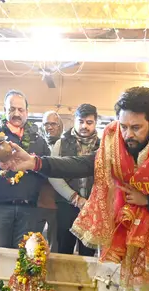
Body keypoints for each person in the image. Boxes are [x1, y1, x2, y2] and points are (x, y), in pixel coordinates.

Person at [0, 87, 149, 286]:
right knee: (130, 278)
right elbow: (82, 164)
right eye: (124, 126)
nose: (128, 134)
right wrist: (35, 162)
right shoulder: (114, 142)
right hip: (128, 217)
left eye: (136, 127)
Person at [0, 90, 49, 248]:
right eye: (12, 109)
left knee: (24, 256)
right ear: (4, 110)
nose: (16, 114)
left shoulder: (37, 138)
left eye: (21, 110)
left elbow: (47, 166)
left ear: (27, 112)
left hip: (29, 208)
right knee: (0, 254)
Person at [49, 104, 100, 256]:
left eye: (89, 122)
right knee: (62, 252)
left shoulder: (104, 146)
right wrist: (75, 198)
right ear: (74, 121)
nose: (84, 126)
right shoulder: (61, 143)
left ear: (95, 122)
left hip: (92, 208)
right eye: (81, 121)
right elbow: (53, 174)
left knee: (88, 254)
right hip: (66, 206)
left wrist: (92, 202)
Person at [36, 111, 63, 252]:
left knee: (55, 247)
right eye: (46, 124)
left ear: (60, 126)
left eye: (53, 124)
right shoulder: (36, 144)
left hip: (58, 204)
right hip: (37, 203)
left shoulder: (65, 147)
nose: (50, 127)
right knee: (34, 245)